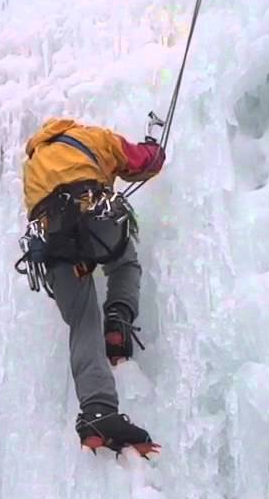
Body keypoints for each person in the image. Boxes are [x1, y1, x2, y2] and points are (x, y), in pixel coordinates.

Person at [19, 117, 165, 455]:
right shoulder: (93, 137)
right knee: (124, 262)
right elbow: (143, 162)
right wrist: (153, 148)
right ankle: (118, 321)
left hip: (53, 244)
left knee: (83, 322)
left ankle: (98, 412)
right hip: (96, 223)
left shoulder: (33, 166)